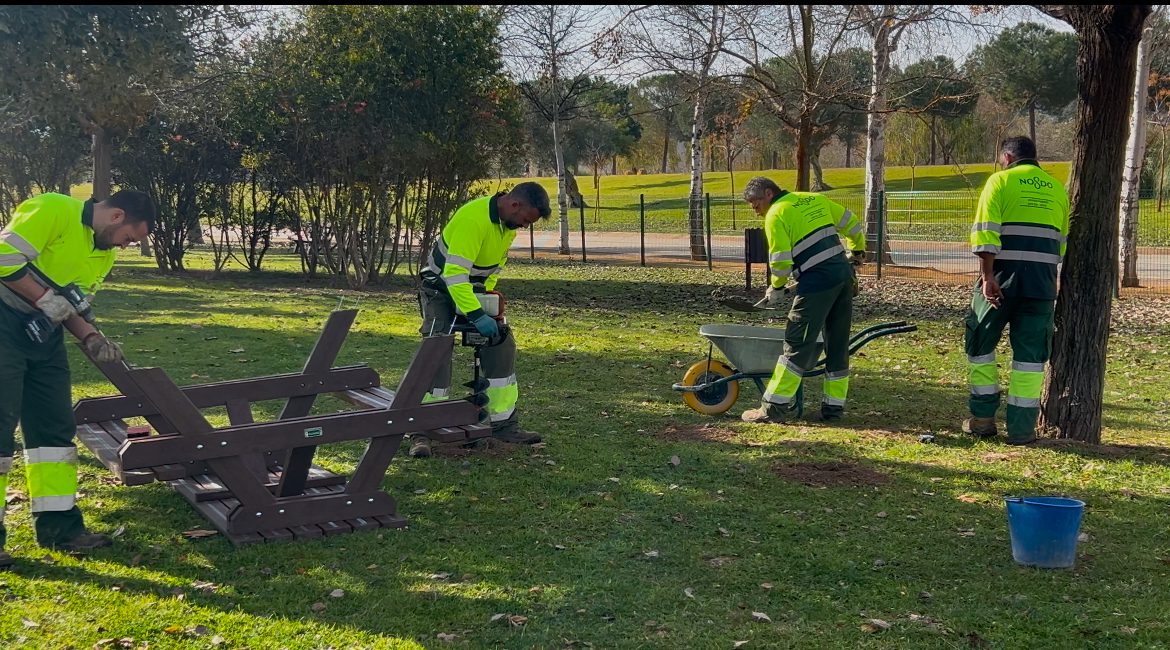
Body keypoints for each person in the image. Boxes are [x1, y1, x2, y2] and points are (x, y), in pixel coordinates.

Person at [0, 190, 156, 567]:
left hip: (43, 335)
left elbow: (71, 302)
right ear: (117, 216)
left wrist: (90, 336)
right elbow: (4, 258)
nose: (126, 246)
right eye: (130, 239)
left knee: (54, 432)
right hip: (3, 321)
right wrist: (45, 299)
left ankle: (60, 529)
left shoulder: (102, 253)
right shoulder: (54, 209)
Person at [409, 182, 551, 458]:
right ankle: (422, 432)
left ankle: (504, 424)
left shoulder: (506, 226)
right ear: (514, 205)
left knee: (501, 342)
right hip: (439, 289)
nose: (524, 226)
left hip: (472, 289)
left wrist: (487, 304)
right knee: (436, 348)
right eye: (525, 220)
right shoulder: (473, 219)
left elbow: (492, 271)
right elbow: (453, 275)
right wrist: (474, 314)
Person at [963, 136, 1069, 445]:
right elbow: (1060, 242)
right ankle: (1021, 430)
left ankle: (983, 420)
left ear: (1007, 158)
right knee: (1030, 359)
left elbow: (985, 232)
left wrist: (987, 277)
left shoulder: (999, 182)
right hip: (1041, 286)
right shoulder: (1057, 189)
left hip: (1000, 281)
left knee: (980, 343)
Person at [739, 177, 866, 424]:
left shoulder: (776, 214)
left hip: (817, 283)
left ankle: (774, 407)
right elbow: (852, 224)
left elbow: (780, 260)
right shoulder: (814, 199)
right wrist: (857, 251)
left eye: (756, 204)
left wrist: (776, 287)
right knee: (837, 345)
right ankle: (833, 409)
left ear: (768, 193)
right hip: (843, 277)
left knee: (798, 342)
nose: (755, 211)